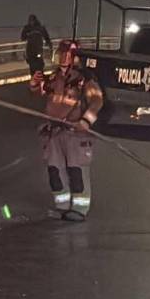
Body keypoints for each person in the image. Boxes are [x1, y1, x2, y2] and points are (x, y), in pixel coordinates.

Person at [30, 39, 103, 222]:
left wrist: (86, 121)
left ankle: (79, 209)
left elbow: (97, 102)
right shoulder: (54, 79)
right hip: (54, 132)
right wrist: (33, 84)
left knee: (76, 171)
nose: (63, 58)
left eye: (67, 54)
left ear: (74, 57)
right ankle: (61, 207)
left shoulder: (84, 80)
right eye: (60, 54)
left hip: (75, 133)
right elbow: (40, 91)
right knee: (55, 171)